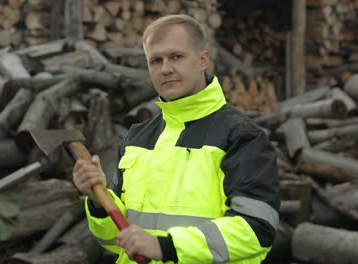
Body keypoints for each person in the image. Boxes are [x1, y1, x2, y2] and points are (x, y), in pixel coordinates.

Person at [73, 14, 279, 263]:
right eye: (156, 60)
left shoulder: (242, 138)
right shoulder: (137, 138)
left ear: (203, 60)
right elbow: (114, 241)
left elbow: (256, 231)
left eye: (176, 57)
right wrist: (97, 202)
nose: (166, 68)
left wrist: (166, 247)